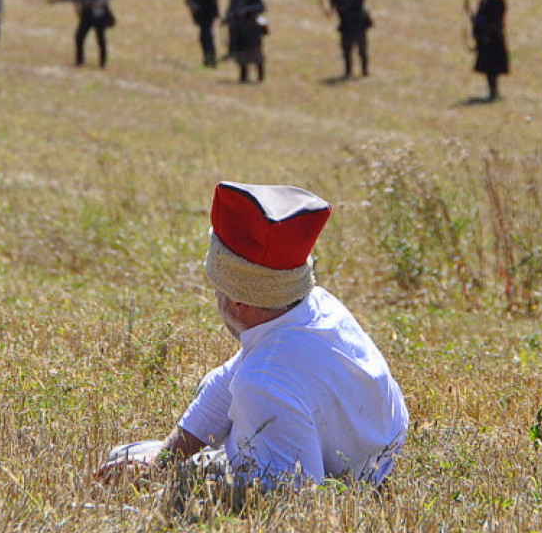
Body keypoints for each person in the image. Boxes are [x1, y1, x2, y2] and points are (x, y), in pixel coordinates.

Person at [98, 182, 409, 488]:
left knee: (123, 458)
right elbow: (226, 382)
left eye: (217, 287)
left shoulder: (262, 381)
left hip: (344, 478)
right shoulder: (317, 305)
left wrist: (179, 486)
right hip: (375, 455)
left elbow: (297, 496)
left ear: (237, 302)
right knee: (157, 441)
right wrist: (163, 460)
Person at [324, 0, 371, 79]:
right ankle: (347, 72)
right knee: (346, 48)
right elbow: (340, 1)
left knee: (361, 47)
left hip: (358, 19)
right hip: (346, 20)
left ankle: (364, 71)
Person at [470, 0, 509, 101]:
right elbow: (481, 17)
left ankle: (494, 91)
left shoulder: (498, 0)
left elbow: (496, 19)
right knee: (488, 68)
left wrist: (486, 28)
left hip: (493, 37)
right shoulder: (484, 1)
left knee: (493, 67)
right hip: (485, 37)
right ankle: (491, 90)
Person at [226, 0, 267, 82]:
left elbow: (261, 7)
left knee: (256, 53)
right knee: (241, 55)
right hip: (239, 28)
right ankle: (243, 77)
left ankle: (260, 77)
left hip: (252, 26)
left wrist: (247, 11)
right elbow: (231, 9)